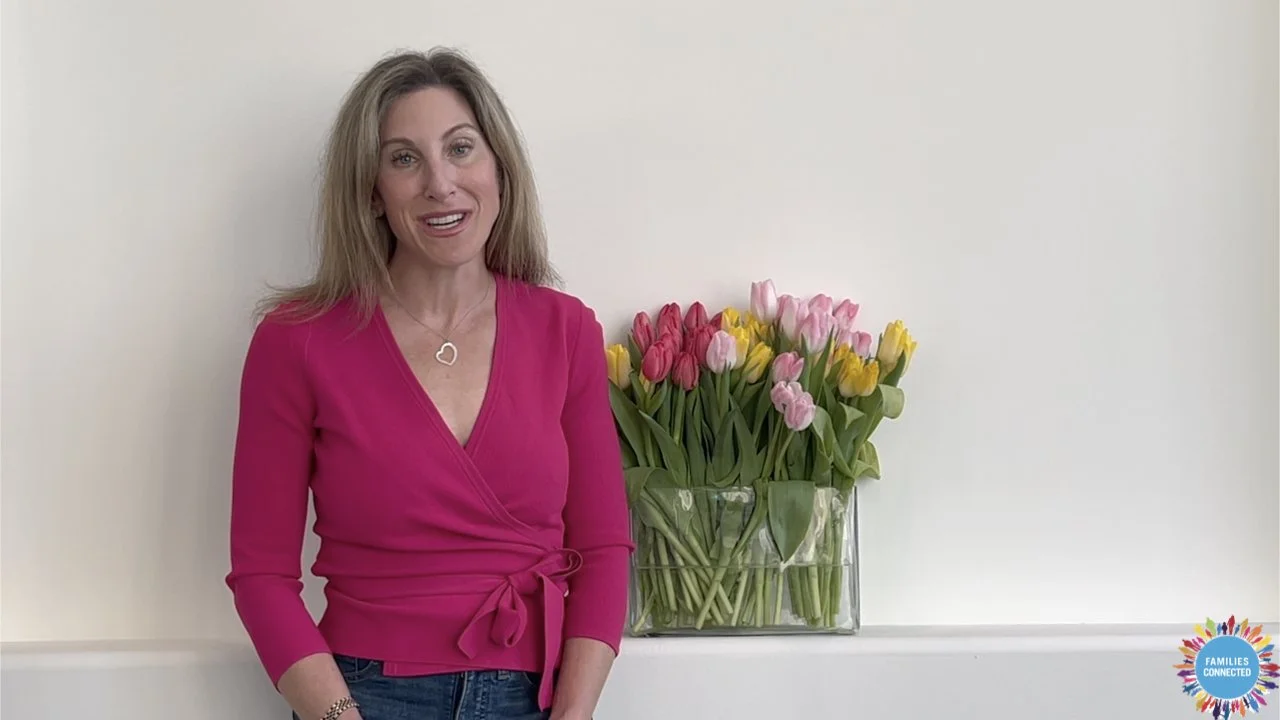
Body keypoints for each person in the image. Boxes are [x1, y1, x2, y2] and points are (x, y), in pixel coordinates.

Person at [225, 47, 634, 720]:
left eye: (460, 149)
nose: (440, 183)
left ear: (499, 167)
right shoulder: (296, 342)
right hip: (362, 696)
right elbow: (261, 575)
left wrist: (572, 714)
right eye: (404, 159)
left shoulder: (566, 331)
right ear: (372, 191)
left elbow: (603, 549)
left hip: (535, 699)